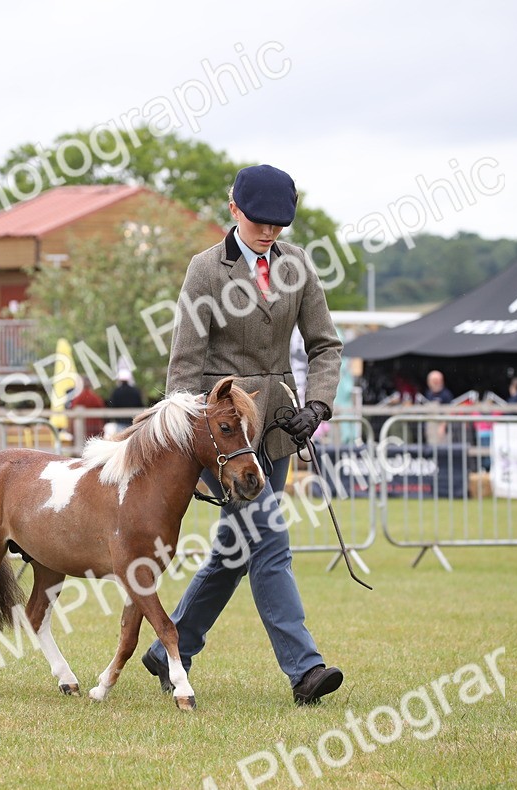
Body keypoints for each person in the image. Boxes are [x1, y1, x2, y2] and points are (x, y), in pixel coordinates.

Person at [140, 164, 345, 707]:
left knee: (235, 550)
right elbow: (184, 364)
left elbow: (325, 345)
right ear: (234, 210)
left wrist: (318, 404)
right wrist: (183, 441)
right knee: (269, 542)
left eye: (280, 225)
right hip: (224, 434)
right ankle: (305, 669)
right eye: (260, 222)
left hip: (275, 429)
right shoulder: (205, 271)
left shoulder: (297, 265)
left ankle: (169, 650)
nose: (270, 233)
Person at [421, 370, 454, 444]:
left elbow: (449, 412)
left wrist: (443, 426)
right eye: (433, 381)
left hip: (442, 429)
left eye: (437, 380)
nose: (435, 383)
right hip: (430, 427)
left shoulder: (446, 394)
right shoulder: (428, 393)